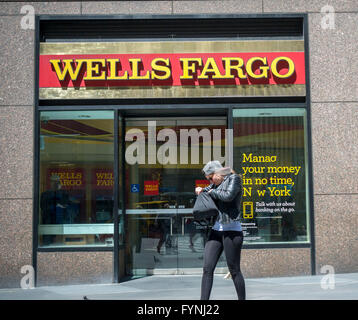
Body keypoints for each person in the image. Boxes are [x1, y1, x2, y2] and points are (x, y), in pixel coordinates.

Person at [195, 160, 246, 300]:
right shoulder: (214, 186)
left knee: (234, 270)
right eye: (208, 179)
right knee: (207, 269)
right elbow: (208, 192)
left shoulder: (234, 179)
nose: (210, 181)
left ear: (218, 173)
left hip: (232, 230)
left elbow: (228, 196)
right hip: (216, 230)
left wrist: (211, 191)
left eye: (210, 178)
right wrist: (200, 190)